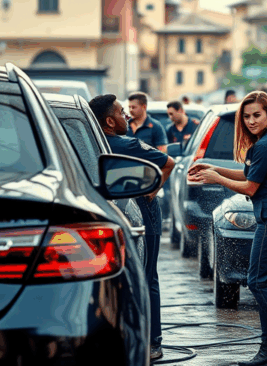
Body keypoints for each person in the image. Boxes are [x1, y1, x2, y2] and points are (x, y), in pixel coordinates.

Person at [187, 92, 267, 366]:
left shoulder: (264, 145)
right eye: (247, 116)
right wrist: (216, 167)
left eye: (257, 115)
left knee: (257, 282)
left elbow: (250, 187)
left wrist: (216, 178)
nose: (251, 121)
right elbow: (251, 175)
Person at [88, 94, 176, 361]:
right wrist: (153, 190)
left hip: (102, 214)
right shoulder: (127, 144)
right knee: (147, 278)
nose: (125, 115)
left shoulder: (84, 144)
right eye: (120, 111)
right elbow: (168, 163)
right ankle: (152, 342)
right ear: (109, 122)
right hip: (141, 214)